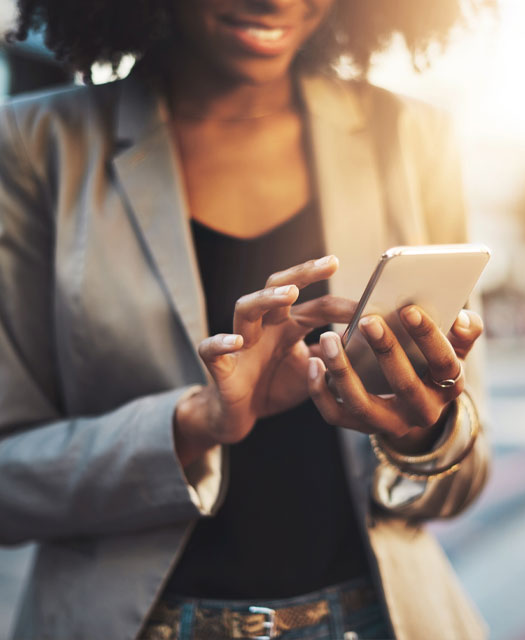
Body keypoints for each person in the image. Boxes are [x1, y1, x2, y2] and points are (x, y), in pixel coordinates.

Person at [0, 1, 492, 639]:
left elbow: (465, 474)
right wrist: (194, 424)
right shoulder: (34, 146)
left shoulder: (410, 136)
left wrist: (422, 436)